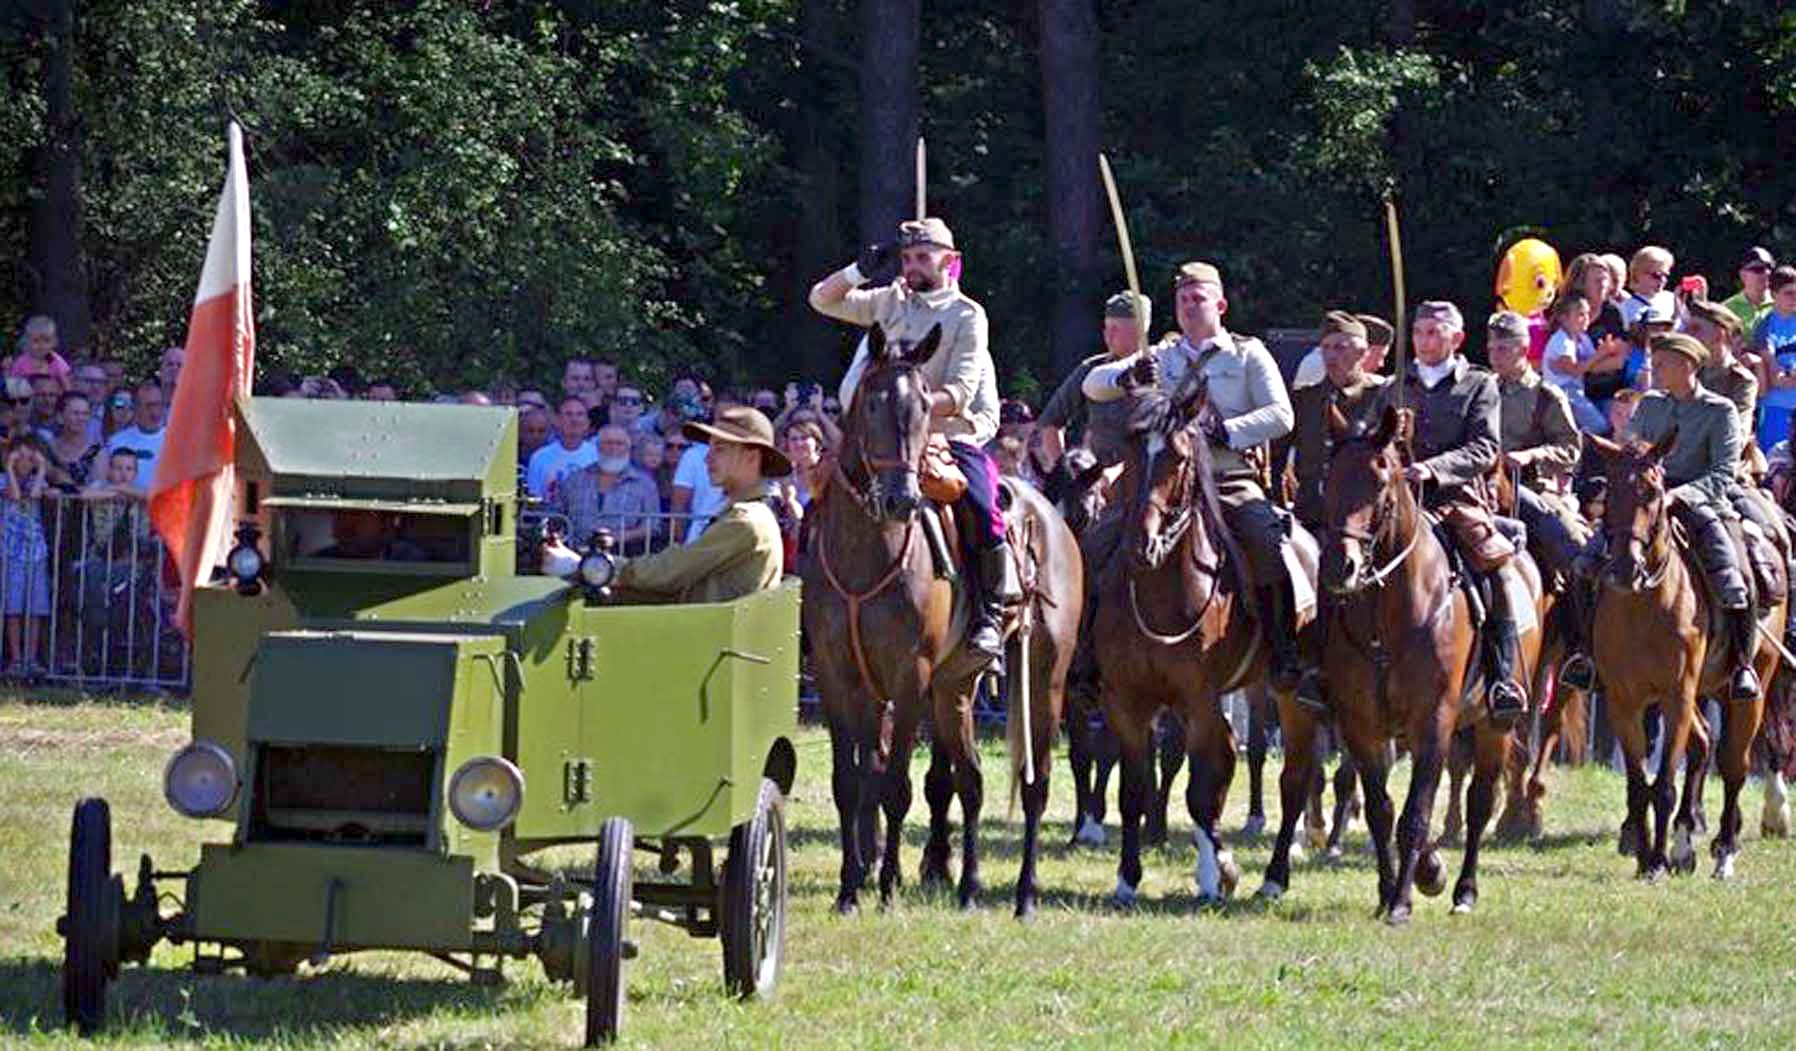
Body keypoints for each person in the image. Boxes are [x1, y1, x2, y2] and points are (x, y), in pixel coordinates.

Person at [809, 216, 1014, 667]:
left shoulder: (967, 315)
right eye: (906, 258)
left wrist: (912, 407)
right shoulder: (889, 301)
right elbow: (822, 300)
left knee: (982, 508)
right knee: (821, 493)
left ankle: (988, 615)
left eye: (923, 257)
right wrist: (858, 272)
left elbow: (960, 390)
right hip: (879, 439)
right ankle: (817, 607)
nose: (913, 266)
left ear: (950, 261)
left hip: (943, 435)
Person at [1085, 261, 1301, 690]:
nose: (1188, 306)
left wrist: (1226, 431)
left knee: (1266, 541)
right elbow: (1092, 385)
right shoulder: (1159, 357)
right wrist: (1125, 373)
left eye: (1197, 298)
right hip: (1164, 482)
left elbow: (1282, 415)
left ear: (1219, 304)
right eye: (1182, 299)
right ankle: (1088, 658)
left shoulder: (1247, 353)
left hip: (1226, 477)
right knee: (1098, 544)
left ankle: (1283, 650)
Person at [1567, 333, 1760, 702]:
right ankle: (1585, 654)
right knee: (1584, 565)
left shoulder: (1720, 411)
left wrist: (1678, 495)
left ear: (1688, 366)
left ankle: (1741, 666)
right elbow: (1633, 451)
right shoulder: (1651, 404)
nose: (1653, 371)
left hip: (1702, 501)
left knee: (1738, 578)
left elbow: (1723, 472)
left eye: (1662, 365)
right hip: (1645, 499)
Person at [1394, 300, 1526, 722]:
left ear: (1457, 338)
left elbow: (1486, 448)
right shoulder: (1394, 386)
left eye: (1434, 332)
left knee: (1497, 570)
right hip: (1397, 502)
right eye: (1419, 332)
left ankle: (1501, 673)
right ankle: (1324, 670)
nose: (1425, 340)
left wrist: (1431, 470)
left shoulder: (1479, 385)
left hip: (1455, 501)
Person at [1274, 312, 1393, 709]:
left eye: (1341, 347)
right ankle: (1296, 658)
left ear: (1363, 351)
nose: (1332, 356)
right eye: (1326, 348)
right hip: (1311, 516)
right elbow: (1277, 456)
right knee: (1280, 570)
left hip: (1366, 522)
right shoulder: (1306, 400)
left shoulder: (1385, 396)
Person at [604, 405, 786, 604]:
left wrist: (604, 568)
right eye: (710, 448)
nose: (707, 458)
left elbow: (671, 572)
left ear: (752, 457)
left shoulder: (745, 522)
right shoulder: (745, 515)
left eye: (720, 449)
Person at [1037, 291, 1149, 470]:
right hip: (1097, 473)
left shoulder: (1165, 365)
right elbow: (1050, 423)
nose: (1108, 335)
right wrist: (1062, 470)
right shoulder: (1092, 369)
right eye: (1106, 327)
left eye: (1116, 328)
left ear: (1140, 330)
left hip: (1148, 473)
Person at [551, 425, 661, 551]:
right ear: (598, 447)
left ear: (628, 448)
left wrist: (619, 537)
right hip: (575, 554)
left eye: (619, 443)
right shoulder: (574, 480)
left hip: (624, 555)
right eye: (608, 443)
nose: (613, 448)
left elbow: (652, 526)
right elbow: (557, 516)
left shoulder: (645, 485)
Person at [1, 435, 52, 672]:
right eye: (18, 456)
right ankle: (16, 658)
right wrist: (9, 468)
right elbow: (16, 495)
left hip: (36, 553)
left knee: (35, 608)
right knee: (13, 608)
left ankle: (31, 659)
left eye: (28, 457)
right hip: (11, 553)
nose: (23, 462)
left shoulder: (38, 480)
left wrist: (41, 468)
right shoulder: (3, 480)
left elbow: (33, 494)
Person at [1541, 291, 1609, 433]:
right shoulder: (1561, 341)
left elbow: (1592, 363)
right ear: (1564, 318)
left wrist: (1609, 351)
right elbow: (1574, 370)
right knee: (1599, 426)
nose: (1586, 319)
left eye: (1587, 314)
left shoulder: (1583, 338)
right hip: (1561, 393)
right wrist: (1600, 354)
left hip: (1578, 391)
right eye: (1580, 314)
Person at [1750, 266, 1796, 450]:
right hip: (1775, 410)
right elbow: (1776, 379)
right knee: (1774, 467)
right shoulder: (1765, 327)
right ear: (1773, 293)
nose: (1795, 298)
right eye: (1789, 293)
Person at [525, 396, 597, 500]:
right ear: (557, 421)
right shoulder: (539, 458)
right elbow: (535, 500)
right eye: (568, 414)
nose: (574, 420)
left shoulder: (598, 455)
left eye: (580, 414)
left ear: (587, 422)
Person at [102, 379, 167, 490]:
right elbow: (104, 482)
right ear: (136, 407)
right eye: (148, 406)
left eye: (158, 405)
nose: (154, 412)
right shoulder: (116, 442)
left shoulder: (177, 441)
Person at [314, 510, 428, 561]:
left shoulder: (411, 561)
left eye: (356, 514)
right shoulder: (318, 562)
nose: (344, 522)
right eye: (339, 514)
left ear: (386, 524)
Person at [44, 391, 101, 491]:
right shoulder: (47, 448)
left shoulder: (97, 452)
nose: (81, 418)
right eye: (75, 413)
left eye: (85, 414)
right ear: (60, 417)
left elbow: (98, 491)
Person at [1722, 247, 1775, 336]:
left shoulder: (1784, 303)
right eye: (1758, 269)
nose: (1766, 273)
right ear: (1743, 275)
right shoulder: (1727, 309)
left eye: (1769, 268)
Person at [9, 316, 71, 387]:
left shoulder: (54, 360)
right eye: (36, 341)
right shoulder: (22, 362)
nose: (41, 345)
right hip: (27, 396)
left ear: (54, 341)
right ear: (27, 341)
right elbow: (13, 386)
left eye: (47, 341)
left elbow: (66, 384)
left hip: (51, 396)